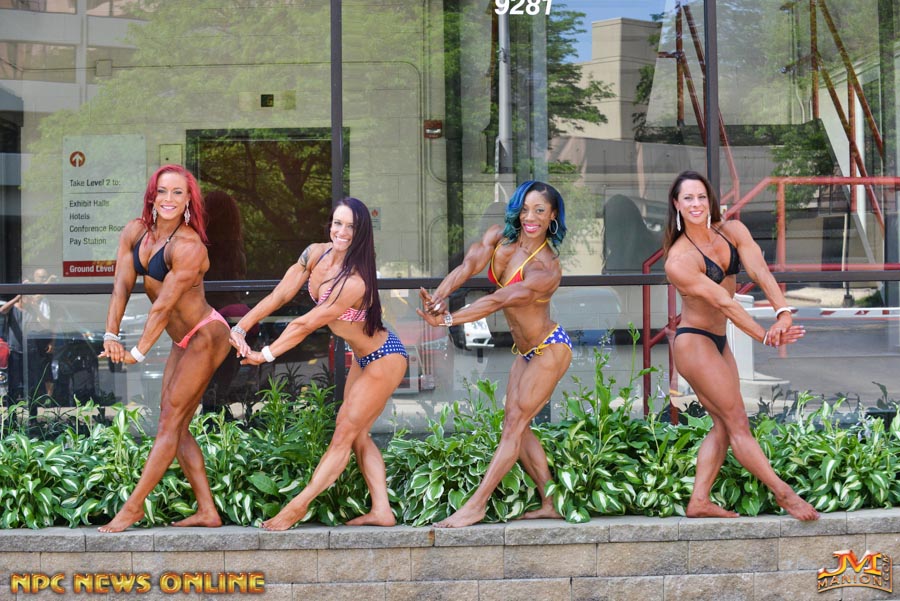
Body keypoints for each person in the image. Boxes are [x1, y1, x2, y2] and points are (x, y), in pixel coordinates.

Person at [230, 197, 407, 531]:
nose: (342, 231)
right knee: (357, 435)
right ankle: (382, 510)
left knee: (343, 434)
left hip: (385, 357)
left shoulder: (355, 281)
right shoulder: (315, 254)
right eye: (337, 223)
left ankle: (297, 507)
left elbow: (306, 324)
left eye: (351, 226)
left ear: (361, 233)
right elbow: (280, 295)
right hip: (364, 357)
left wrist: (264, 355)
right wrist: (241, 328)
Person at [663, 170, 819, 521]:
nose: (696, 204)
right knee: (737, 423)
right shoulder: (679, 260)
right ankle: (785, 495)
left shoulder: (732, 231)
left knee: (722, 424)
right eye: (688, 198)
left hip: (719, 342)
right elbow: (725, 303)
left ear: (710, 199)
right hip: (695, 343)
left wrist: (782, 313)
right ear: (676, 204)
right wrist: (765, 336)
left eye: (701, 197)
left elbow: (761, 272)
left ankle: (699, 501)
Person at [418, 180, 571, 528]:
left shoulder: (546, 267)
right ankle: (550, 501)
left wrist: (449, 319)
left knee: (515, 425)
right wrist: (438, 298)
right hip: (526, 351)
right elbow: (467, 267)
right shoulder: (500, 238)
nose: (530, 217)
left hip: (550, 348)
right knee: (516, 424)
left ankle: (476, 505)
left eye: (540, 211)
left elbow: (499, 300)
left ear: (553, 216)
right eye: (525, 209)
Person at [97, 164, 231, 532]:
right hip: (180, 339)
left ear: (188, 201)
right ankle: (207, 511)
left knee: (171, 421)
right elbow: (121, 287)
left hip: (206, 335)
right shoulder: (135, 232)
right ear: (151, 196)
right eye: (162, 191)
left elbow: (163, 306)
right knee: (174, 422)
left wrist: (137, 353)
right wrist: (111, 335)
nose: (168, 199)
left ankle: (133, 507)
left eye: (178, 193)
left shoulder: (189, 247)